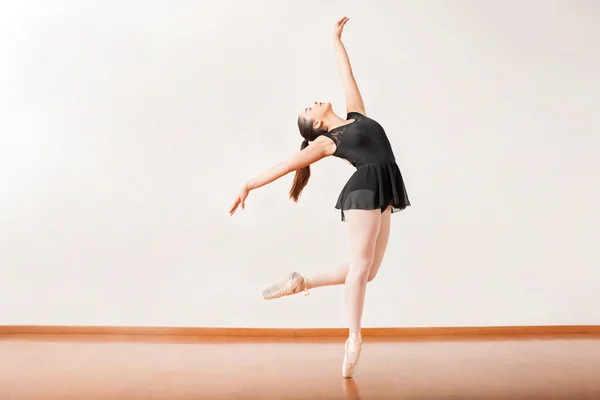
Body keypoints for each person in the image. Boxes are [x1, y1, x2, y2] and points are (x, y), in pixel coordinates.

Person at [229, 16, 410, 378]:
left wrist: (336, 40)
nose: (313, 103)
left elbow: (348, 76)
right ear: (316, 126)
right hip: (364, 190)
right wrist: (248, 184)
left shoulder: (356, 116)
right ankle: (354, 338)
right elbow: (285, 165)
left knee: (368, 272)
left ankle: (303, 282)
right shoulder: (329, 142)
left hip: (384, 186)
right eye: (309, 109)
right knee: (360, 269)